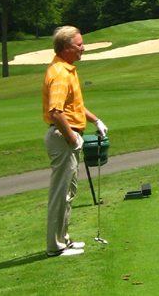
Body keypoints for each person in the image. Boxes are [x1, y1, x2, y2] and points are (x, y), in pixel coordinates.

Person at [43, 26, 108, 257]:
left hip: (67, 137)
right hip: (63, 139)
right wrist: (73, 139)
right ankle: (55, 247)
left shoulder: (68, 69)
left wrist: (95, 120)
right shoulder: (60, 73)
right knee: (60, 194)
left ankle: (64, 240)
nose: (83, 48)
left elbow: (75, 108)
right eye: (78, 44)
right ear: (65, 48)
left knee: (68, 193)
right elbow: (56, 112)